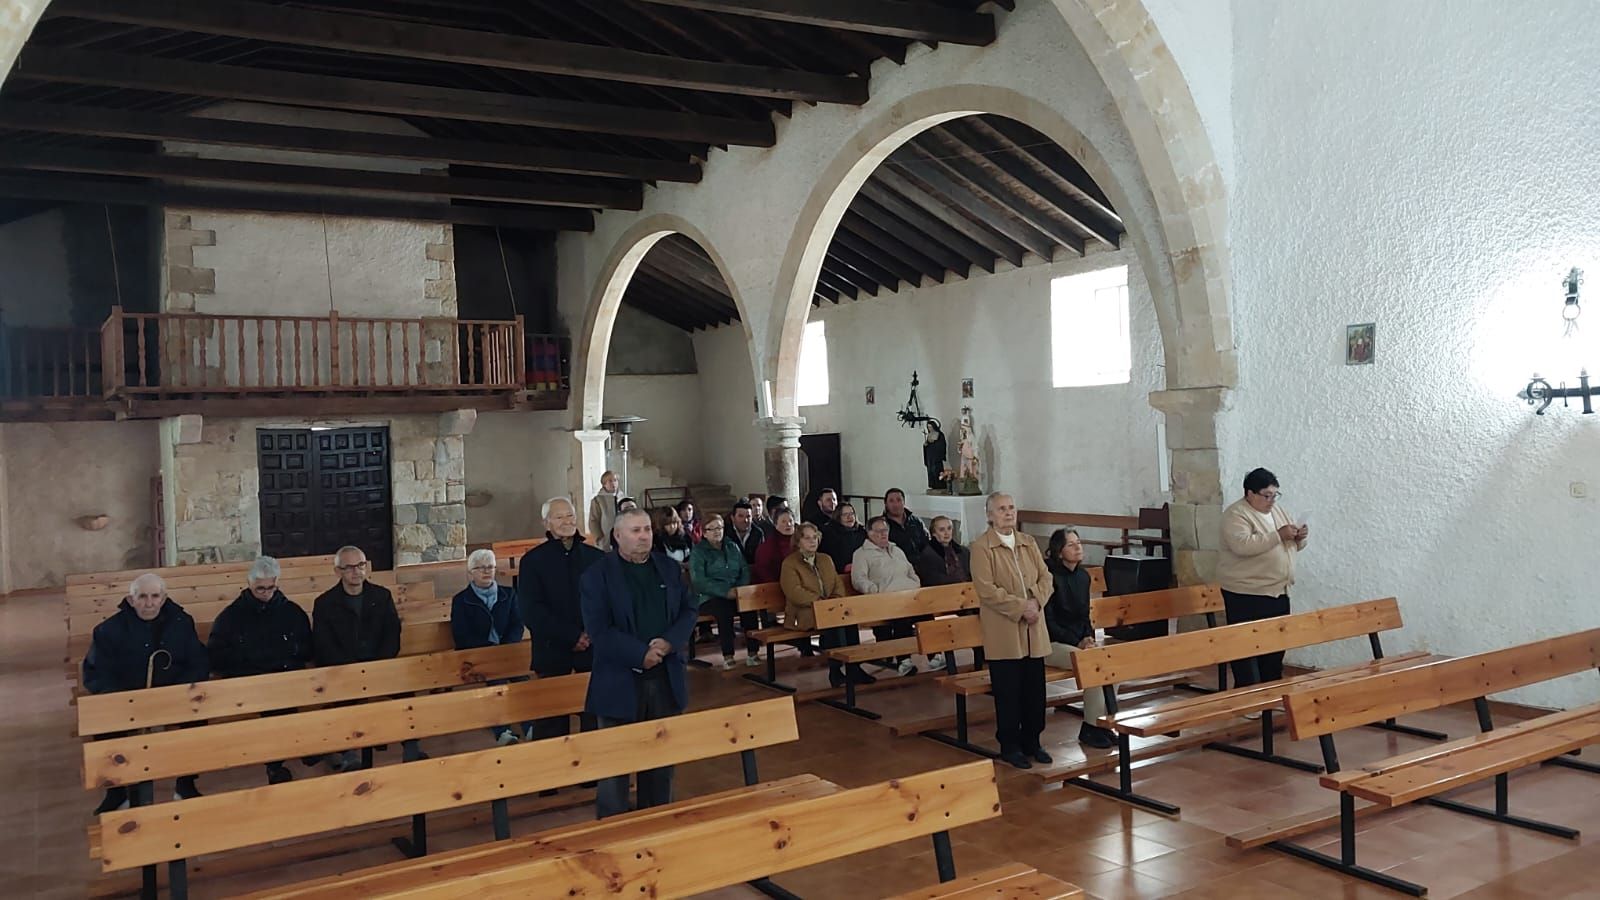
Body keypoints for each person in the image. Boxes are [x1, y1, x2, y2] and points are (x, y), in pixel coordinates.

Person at [580, 508, 699, 819]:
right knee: (616, 766)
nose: (644, 536)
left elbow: (689, 610)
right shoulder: (597, 575)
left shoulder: (669, 569)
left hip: (665, 675)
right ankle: (613, 826)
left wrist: (670, 641)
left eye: (646, 529)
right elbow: (599, 629)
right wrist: (638, 654)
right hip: (619, 680)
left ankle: (656, 820)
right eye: (635, 530)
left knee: (660, 761)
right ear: (617, 536)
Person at [83, 573, 209, 810]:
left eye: (155, 596)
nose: (149, 603)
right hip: (127, 700)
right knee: (104, 725)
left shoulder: (181, 622)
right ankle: (117, 792)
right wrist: (123, 698)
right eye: (142, 597)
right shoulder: (108, 630)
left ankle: (186, 783)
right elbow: (96, 673)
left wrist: (177, 691)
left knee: (196, 721)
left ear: (163, 598)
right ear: (131, 600)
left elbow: (198, 662)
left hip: (173, 696)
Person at [312, 546, 422, 770]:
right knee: (342, 700)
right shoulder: (325, 603)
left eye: (361, 565)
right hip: (343, 671)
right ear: (338, 571)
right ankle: (349, 753)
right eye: (349, 567)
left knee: (407, 695)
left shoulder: (381, 596)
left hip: (379, 666)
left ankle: (411, 745)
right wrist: (350, 670)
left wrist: (377, 666)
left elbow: (392, 635)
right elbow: (324, 645)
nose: (356, 572)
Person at [208, 556, 313, 784]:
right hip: (248, 680)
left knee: (294, 694)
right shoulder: (231, 616)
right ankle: (277, 763)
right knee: (271, 700)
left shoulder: (292, 612)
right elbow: (218, 655)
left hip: (285, 678)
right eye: (260, 588)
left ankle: (300, 752)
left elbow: (306, 647)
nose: (266, 592)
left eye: (271, 587)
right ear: (249, 584)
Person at [971, 492, 1053, 770]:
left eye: (1011, 508)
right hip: (1004, 631)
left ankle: (1033, 741)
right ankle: (1010, 745)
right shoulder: (982, 547)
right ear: (990, 515)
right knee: (1009, 692)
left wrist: (1037, 601)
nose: (1008, 513)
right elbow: (987, 590)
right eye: (1002, 509)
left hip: (1033, 629)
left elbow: (1046, 577)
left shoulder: (1028, 542)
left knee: (1035, 691)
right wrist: (1022, 607)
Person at [517, 496, 604, 742]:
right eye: (559, 516)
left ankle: (592, 773)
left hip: (592, 650)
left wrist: (589, 634)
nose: (567, 521)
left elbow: (605, 604)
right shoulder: (533, 561)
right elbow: (531, 611)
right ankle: (553, 775)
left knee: (593, 717)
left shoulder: (595, 558)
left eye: (570, 515)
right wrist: (571, 636)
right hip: (552, 650)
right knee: (551, 723)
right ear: (546, 524)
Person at [1217, 468, 1308, 687]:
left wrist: (1300, 538)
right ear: (1250, 493)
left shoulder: (1278, 512)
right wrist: (1279, 535)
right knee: (1246, 648)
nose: (1271, 500)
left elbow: (1290, 544)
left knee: (1275, 648)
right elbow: (1242, 546)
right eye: (1266, 495)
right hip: (1246, 593)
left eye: (1275, 495)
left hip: (1278, 590)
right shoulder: (1236, 514)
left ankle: (1272, 692)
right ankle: (1248, 696)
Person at [1042, 529, 1114, 749]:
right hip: (1049, 643)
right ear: (1058, 551)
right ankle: (1090, 727)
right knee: (1091, 665)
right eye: (1071, 545)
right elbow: (1049, 622)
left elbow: (1084, 615)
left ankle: (1103, 724)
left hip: (1076, 642)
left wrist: (1088, 638)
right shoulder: (1048, 577)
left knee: (1112, 664)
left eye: (1079, 543)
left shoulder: (1083, 576)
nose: (1078, 548)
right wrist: (1078, 642)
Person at [451, 549, 529, 746]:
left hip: (508, 652)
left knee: (523, 680)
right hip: (480, 656)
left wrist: (506, 648)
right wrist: (489, 651)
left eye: (491, 567)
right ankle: (503, 731)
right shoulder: (461, 600)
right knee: (496, 681)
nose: (487, 571)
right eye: (481, 568)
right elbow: (462, 635)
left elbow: (517, 624)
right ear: (470, 573)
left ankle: (530, 726)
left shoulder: (509, 594)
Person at [781, 523, 872, 687]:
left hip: (830, 608)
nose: (812, 541)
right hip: (804, 612)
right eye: (807, 538)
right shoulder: (790, 563)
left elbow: (837, 584)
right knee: (832, 622)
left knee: (849, 621)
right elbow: (794, 591)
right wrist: (821, 603)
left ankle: (854, 667)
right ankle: (835, 670)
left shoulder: (825, 559)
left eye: (814, 537)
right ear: (798, 541)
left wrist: (834, 601)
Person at [851, 516, 925, 677]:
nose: (883, 534)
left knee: (928, 611)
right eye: (878, 531)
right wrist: (874, 590)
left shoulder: (897, 550)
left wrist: (915, 582)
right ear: (869, 533)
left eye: (885, 530)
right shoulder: (862, 554)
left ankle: (936, 655)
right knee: (902, 616)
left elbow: (910, 570)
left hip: (910, 595)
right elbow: (859, 579)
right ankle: (904, 660)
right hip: (885, 600)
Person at [688, 514, 755, 670]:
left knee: (749, 608)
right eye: (712, 529)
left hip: (735, 592)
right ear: (704, 533)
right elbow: (699, 581)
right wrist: (725, 592)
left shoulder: (732, 546)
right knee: (724, 611)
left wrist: (739, 588)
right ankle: (728, 655)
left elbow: (744, 569)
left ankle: (753, 652)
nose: (717, 532)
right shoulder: (699, 552)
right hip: (708, 597)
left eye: (720, 527)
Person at [915, 515, 971, 586]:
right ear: (934, 533)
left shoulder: (964, 551)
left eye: (949, 528)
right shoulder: (927, 555)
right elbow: (933, 580)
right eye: (942, 530)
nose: (946, 533)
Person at [751, 508, 798, 584]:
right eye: (783, 522)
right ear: (775, 524)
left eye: (790, 521)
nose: (788, 524)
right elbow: (762, 570)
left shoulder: (801, 542)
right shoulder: (767, 546)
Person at [819, 501, 867, 572]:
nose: (849, 517)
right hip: (839, 571)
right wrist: (843, 567)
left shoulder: (862, 531)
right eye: (845, 514)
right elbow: (828, 556)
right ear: (838, 517)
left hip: (862, 568)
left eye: (852, 514)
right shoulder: (829, 533)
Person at [883, 488, 930, 559]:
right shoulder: (881, 525)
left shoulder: (916, 521)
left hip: (921, 563)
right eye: (891, 501)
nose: (895, 504)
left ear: (904, 502)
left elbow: (926, 542)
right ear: (886, 504)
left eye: (899, 500)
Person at [587, 470, 620, 551]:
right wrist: (599, 537)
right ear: (604, 484)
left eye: (615, 480)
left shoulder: (622, 498)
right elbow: (593, 520)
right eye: (610, 481)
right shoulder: (598, 500)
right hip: (606, 537)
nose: (613, 483)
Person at [727, 499, 765, 564]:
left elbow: (762, 558)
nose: (745, 520)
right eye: (741, 516)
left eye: (748, 516)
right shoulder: (726, 533)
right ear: (733, 518)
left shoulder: (758, 533)